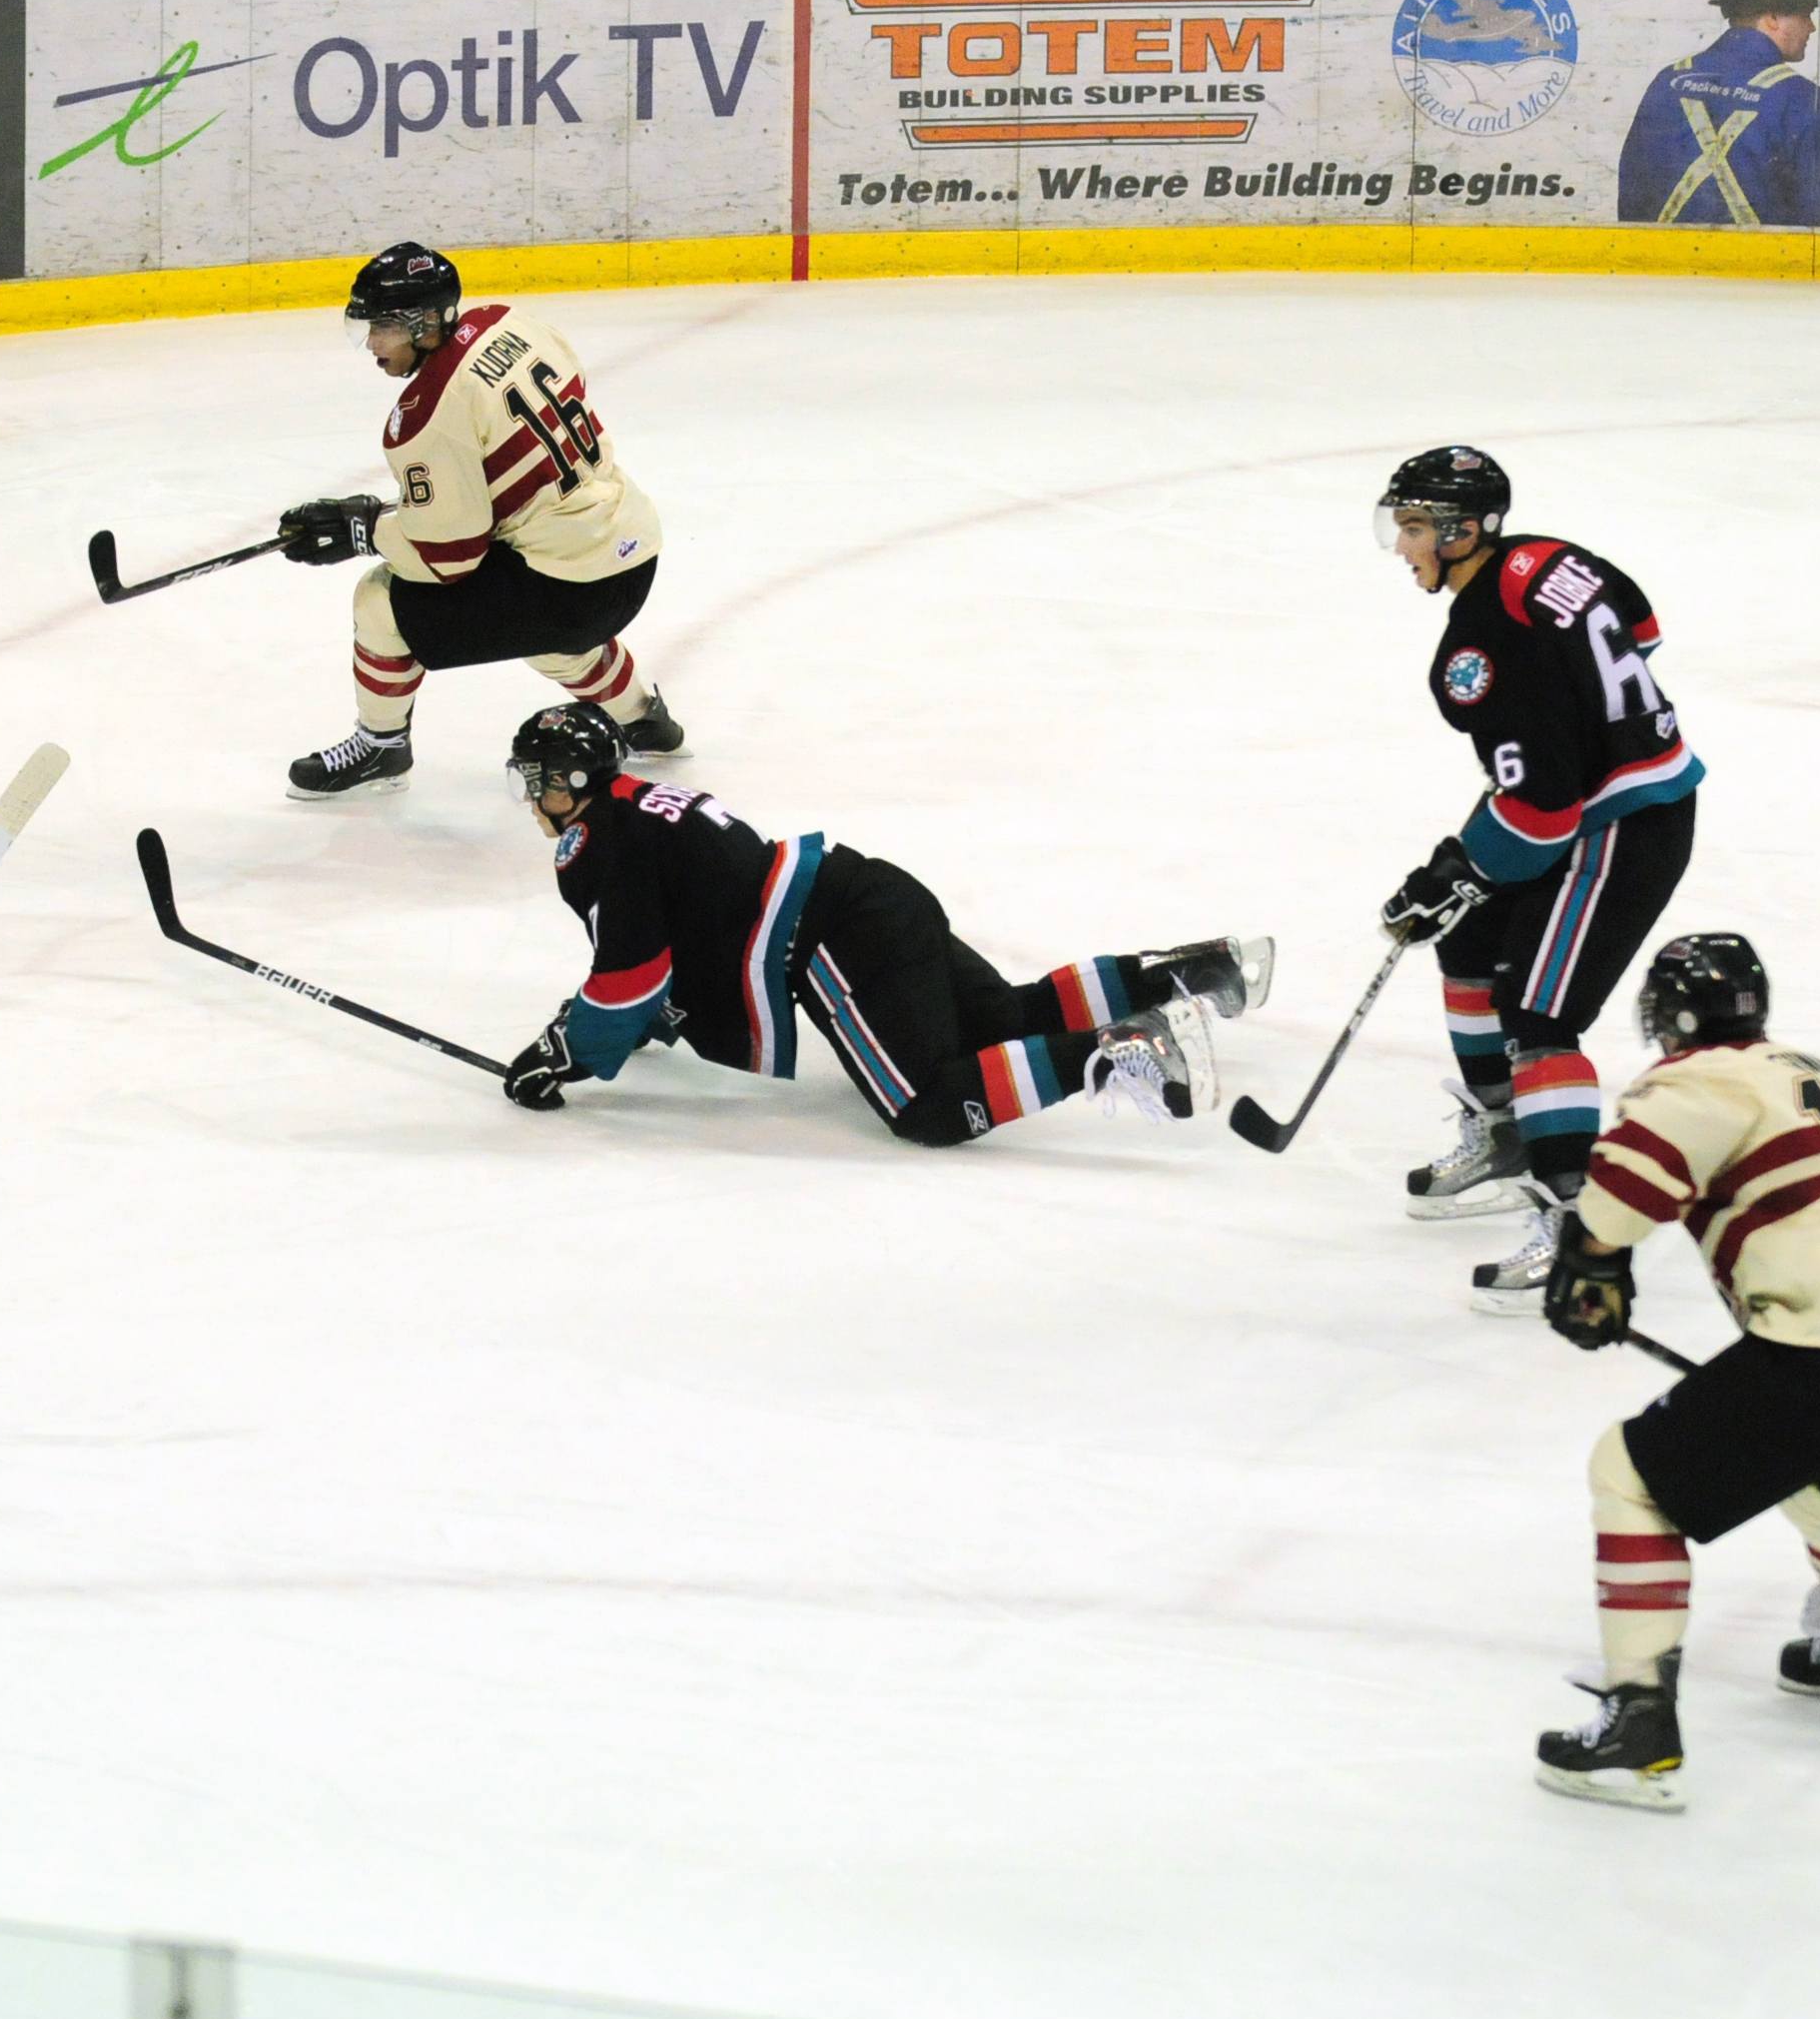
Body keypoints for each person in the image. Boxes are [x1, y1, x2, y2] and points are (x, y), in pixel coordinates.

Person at [1531, 934, 1820, 1810]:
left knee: (1629, 1474)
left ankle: (1636, 1725)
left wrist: (1590, 1258)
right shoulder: (1812, 1069)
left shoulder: (1694, 1079)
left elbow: (1631, 1180)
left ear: (1667, 1020)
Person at [497, 703, 1267, 1144]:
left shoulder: (597, 840)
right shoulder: (646, 802)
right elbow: (687, 933)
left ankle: (1125, 1050)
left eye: (535, 782)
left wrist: (569, 1050)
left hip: (835, 942)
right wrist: (624, 1028)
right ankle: (1197, 973)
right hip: (869, 891)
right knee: (1000, 1019)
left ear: (568, 784)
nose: (531, 800)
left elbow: (635, 971)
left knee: (927, 1107)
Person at [1373, 446, 1701, 1312]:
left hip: (1621, 825)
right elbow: (1640, 624)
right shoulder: (1548, 557)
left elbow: (1543, 815)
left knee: (1540, 1018)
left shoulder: (1474, 653)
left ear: (1463, 532)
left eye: (1413, 529)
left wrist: (1459, 867)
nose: (1402, 547)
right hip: (1600, 794)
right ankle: (1508, 1130)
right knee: (1473, 942)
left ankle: (1579, 1234)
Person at [273, 242, 680, 800]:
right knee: (535, 619)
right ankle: (642, 717)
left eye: (383, 327)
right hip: (633, 550)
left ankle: (382, 745)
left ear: (424, 325)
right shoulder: (512, 323)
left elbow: (450, 559)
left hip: (571, 593)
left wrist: (365, 532)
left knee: (379, 600)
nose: (371, 343)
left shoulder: (424, 417)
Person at [1616, 0, 1820, 230]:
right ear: (1772, 17)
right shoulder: (1800, 97)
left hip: (1662, 261)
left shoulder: (1667, 81)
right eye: (1805, 14)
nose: (1811, 27)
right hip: (1760, 265)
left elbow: (1632, 193)